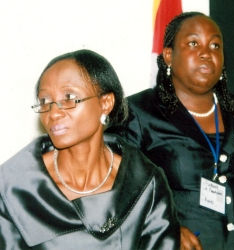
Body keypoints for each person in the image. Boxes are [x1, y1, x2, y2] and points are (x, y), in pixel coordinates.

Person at [107, 12, 234, 250]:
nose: (206, 52)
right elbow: (113, 195)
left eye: (215, 45)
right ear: (169, 55)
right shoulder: (137, 112)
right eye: (193, 43)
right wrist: (163, 229)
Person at [0, 49, 180, 249]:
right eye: (45, 101)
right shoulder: (13, 186)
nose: (53, 112)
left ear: (106, 103)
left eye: (68, 97)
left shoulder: (143, 182)